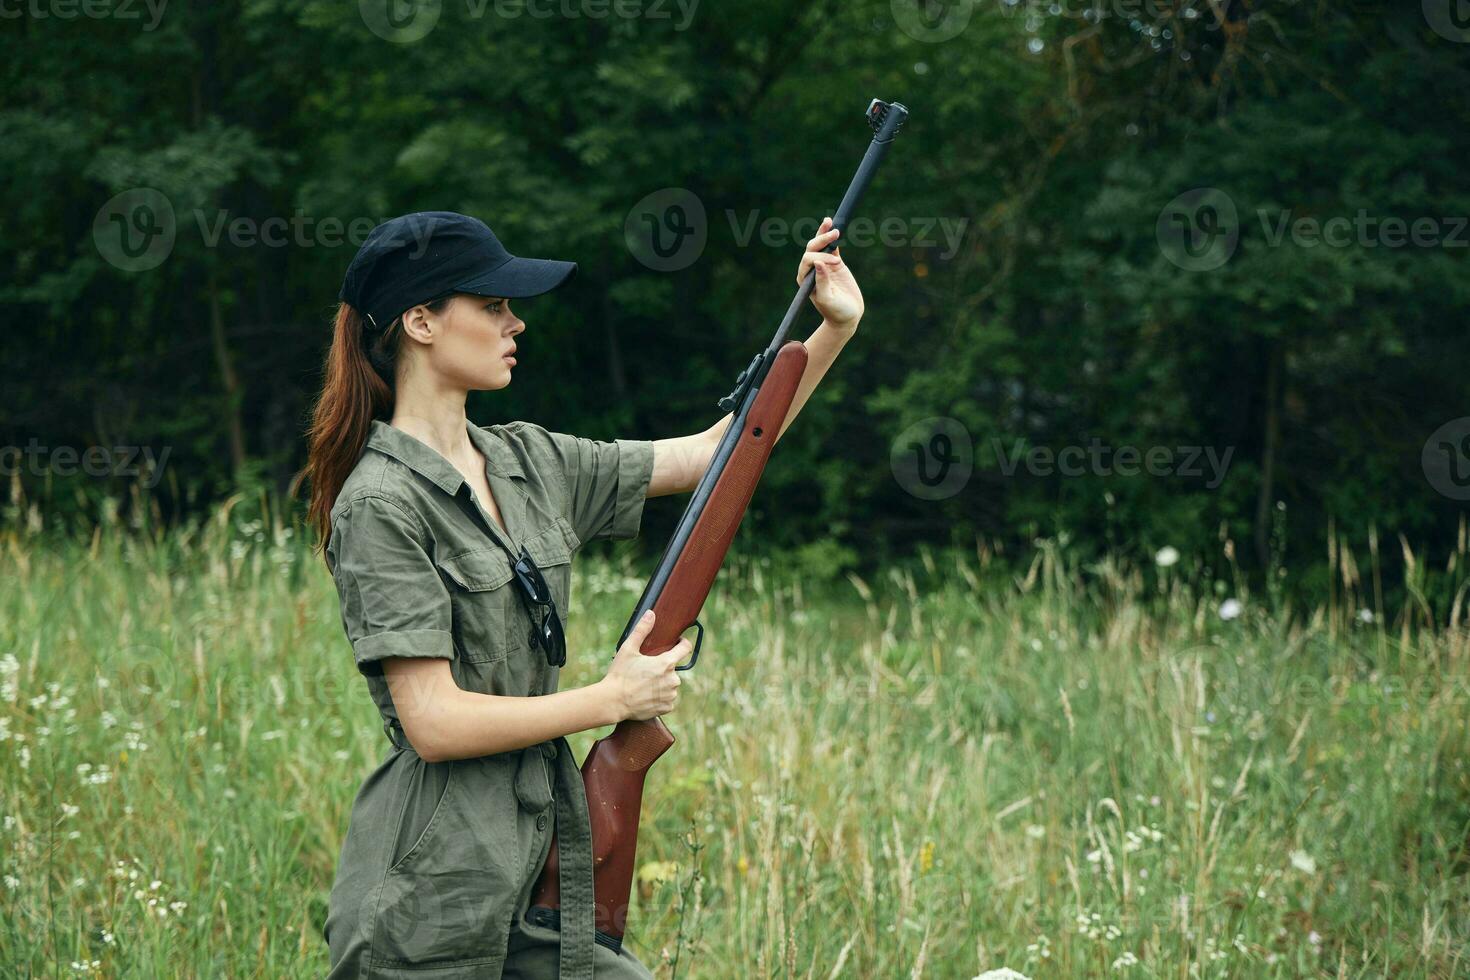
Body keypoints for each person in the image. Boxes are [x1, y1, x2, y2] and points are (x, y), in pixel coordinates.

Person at [301, 209, 863, 978]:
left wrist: (830, 330)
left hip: (538, 864)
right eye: (492, 305)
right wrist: (611, 699)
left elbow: (716, 456)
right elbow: (432, 721)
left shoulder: (529, 460)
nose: (515, 323)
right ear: (421, 321)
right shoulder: (380, 504)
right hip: (432, 892)